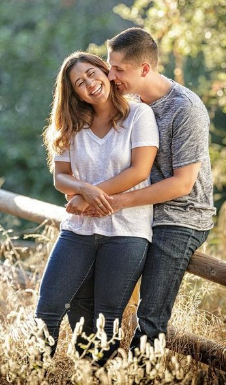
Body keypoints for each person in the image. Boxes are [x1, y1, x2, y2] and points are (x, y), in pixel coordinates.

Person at [68, 28, 216, 351]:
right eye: (110, 66)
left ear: (145, 69)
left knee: (149, 319)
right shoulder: (129, 102)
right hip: (137, 210)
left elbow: (183, 183)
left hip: (180, 217)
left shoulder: (186, 109)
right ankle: (92, 368)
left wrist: (118, 201)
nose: (110, 75)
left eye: (118, 69)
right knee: (81, 292)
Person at [35, 51, 159, 363]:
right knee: (49, 309)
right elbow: (61, 177)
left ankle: (97, 379)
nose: (89, 83)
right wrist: (83, 190)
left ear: (105, 71)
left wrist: (88, 197)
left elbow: (139, 171)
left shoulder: (138, 115)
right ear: (73, 92)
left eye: (92, 73)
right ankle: (33, 374)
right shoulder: (72, 125)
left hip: (127, 232)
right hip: (79, 230)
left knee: (107, 321)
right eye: (79, 82)